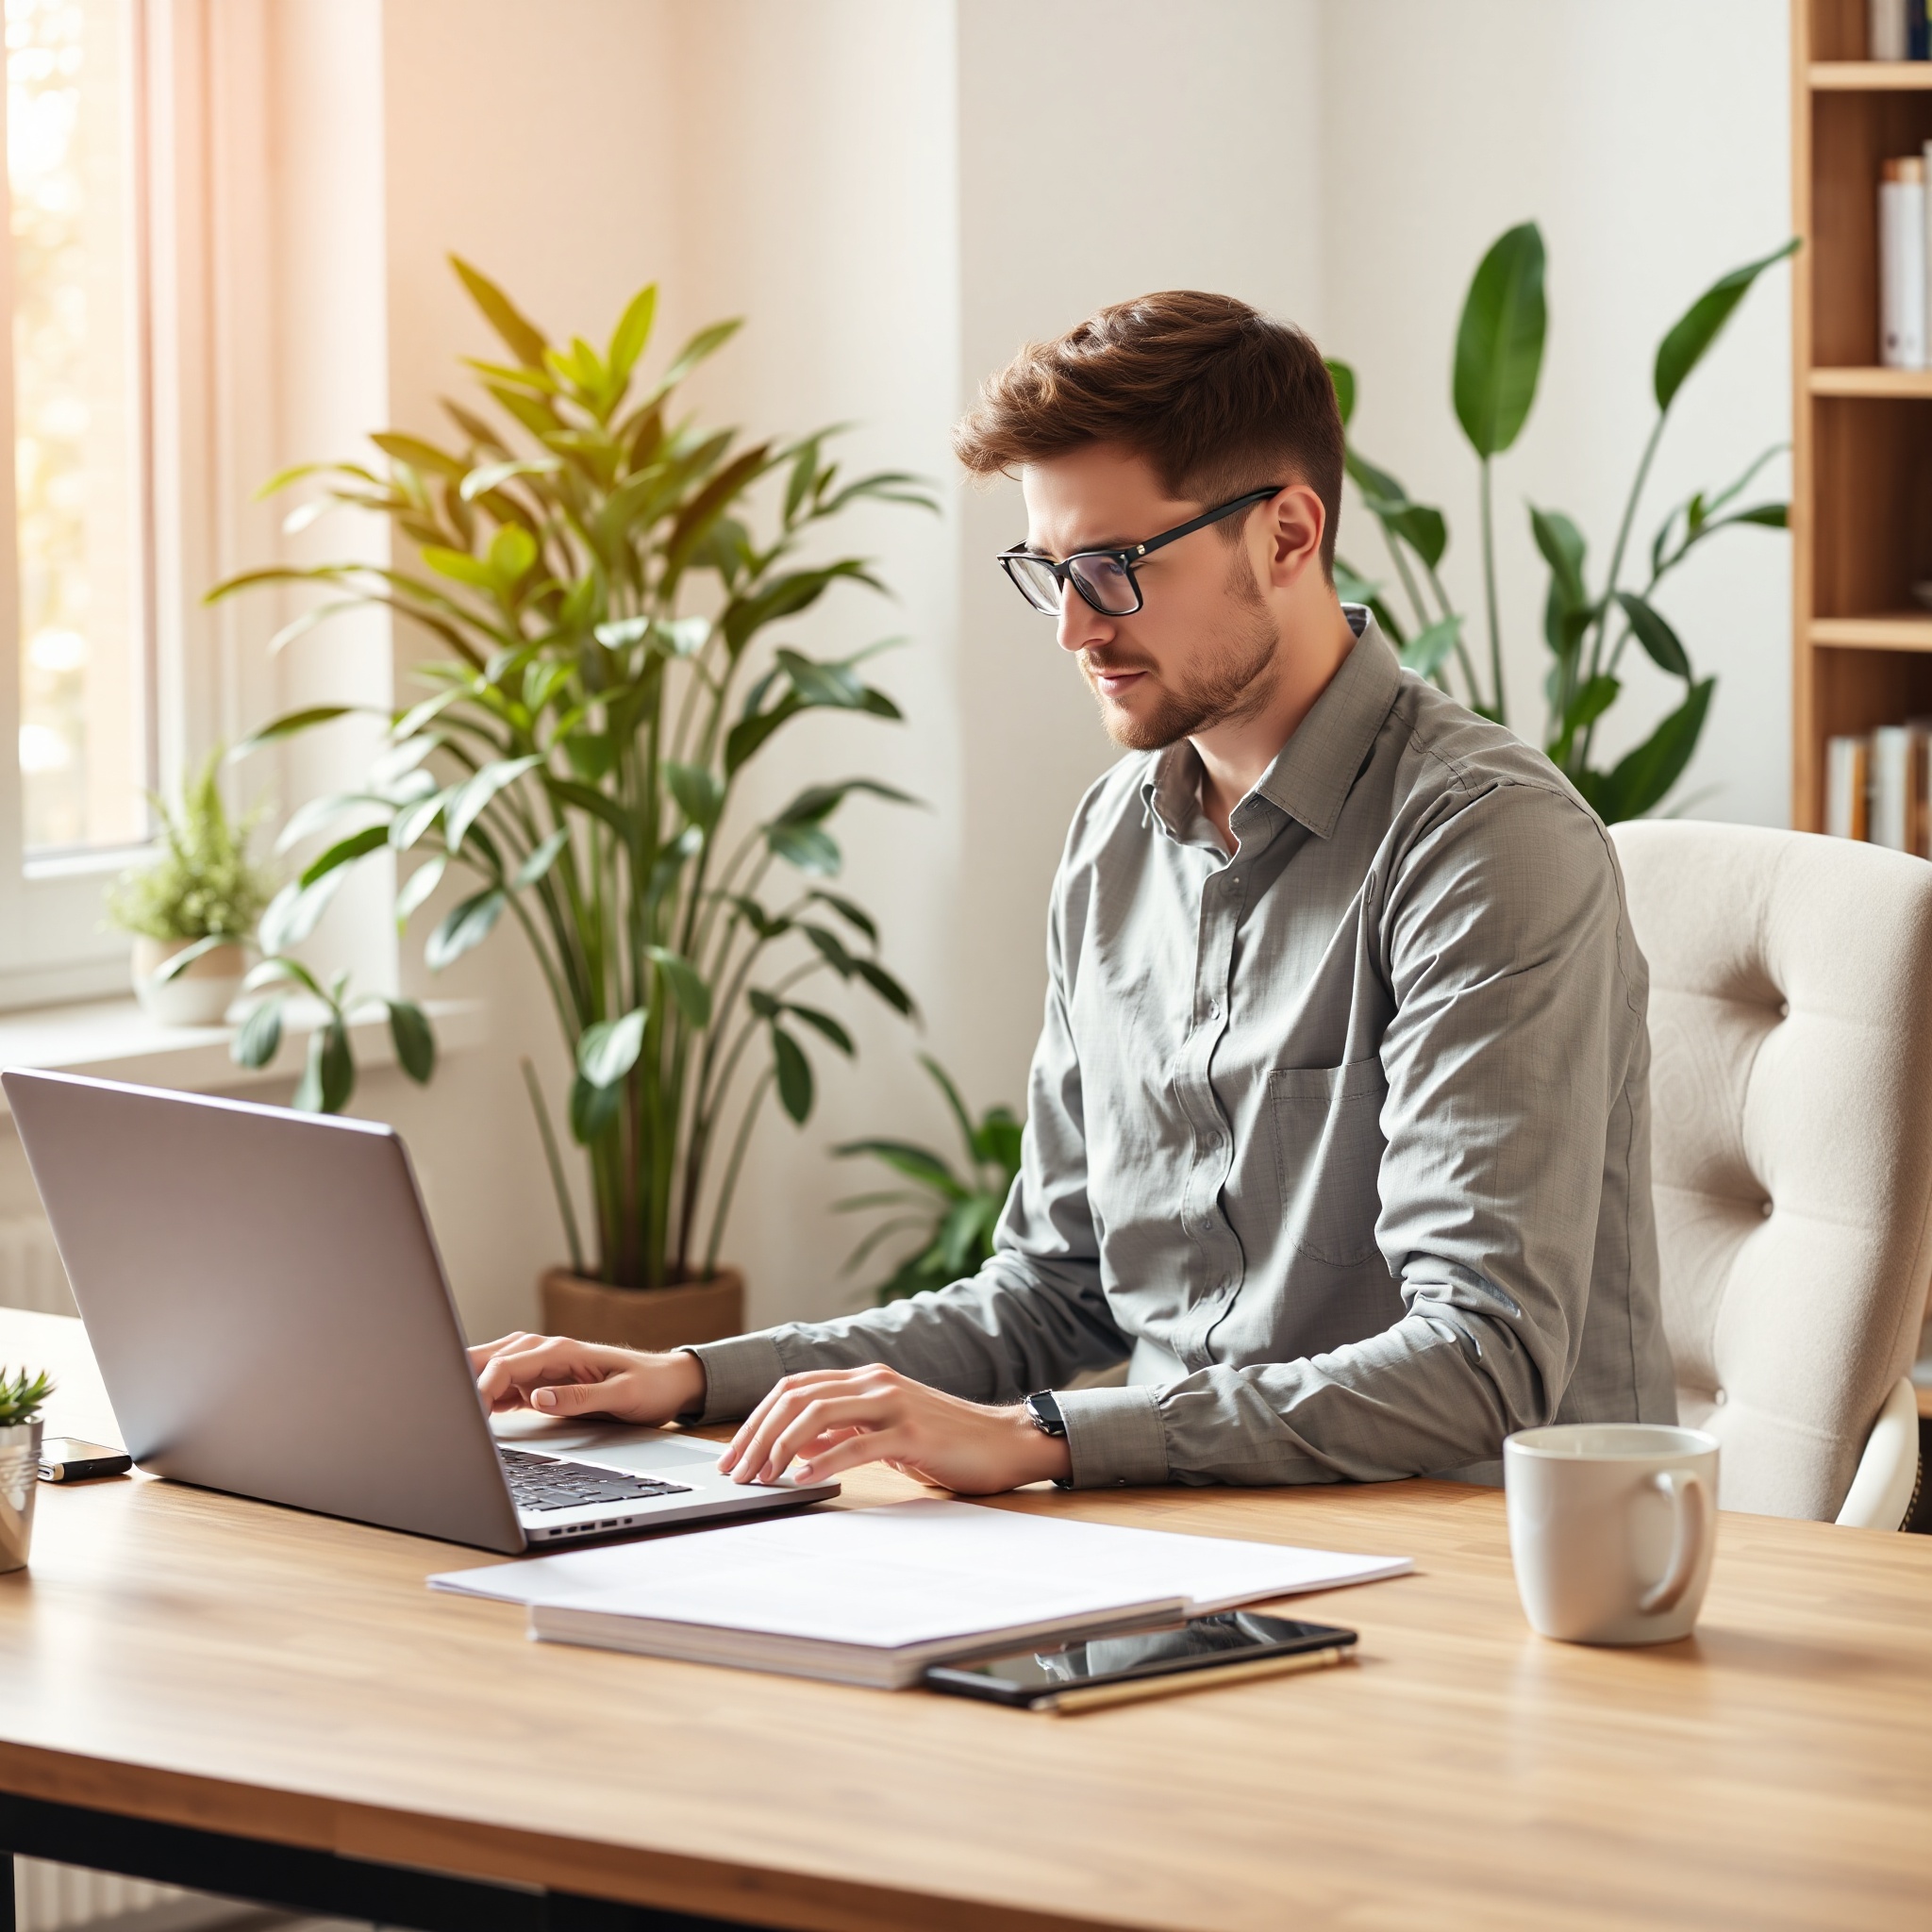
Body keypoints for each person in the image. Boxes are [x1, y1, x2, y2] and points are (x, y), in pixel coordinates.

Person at [471, 290, 1675, 1496]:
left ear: (1288, 536)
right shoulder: (1115, 839)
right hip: (1172, 1536)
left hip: (1458, 1576)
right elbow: (1052, 1289)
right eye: (1046, 572)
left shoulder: (1482, 841)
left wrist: (1044, 1438)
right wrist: (685, 1375)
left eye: (1110, 567)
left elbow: (1480, 1359)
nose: (1071, 628)